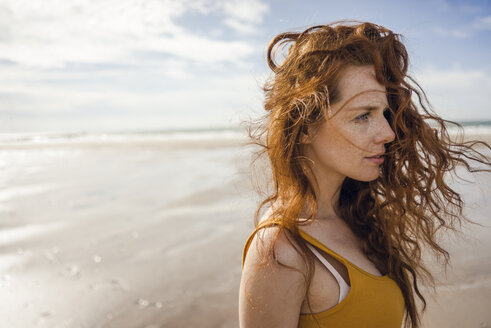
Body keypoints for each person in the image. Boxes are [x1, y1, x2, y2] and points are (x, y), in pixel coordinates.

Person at [238, 21, 490, 328]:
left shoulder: (358, 217)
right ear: (303, 127)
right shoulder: (281, 250)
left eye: (383, 113)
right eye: (362, 116)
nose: (387, 132)